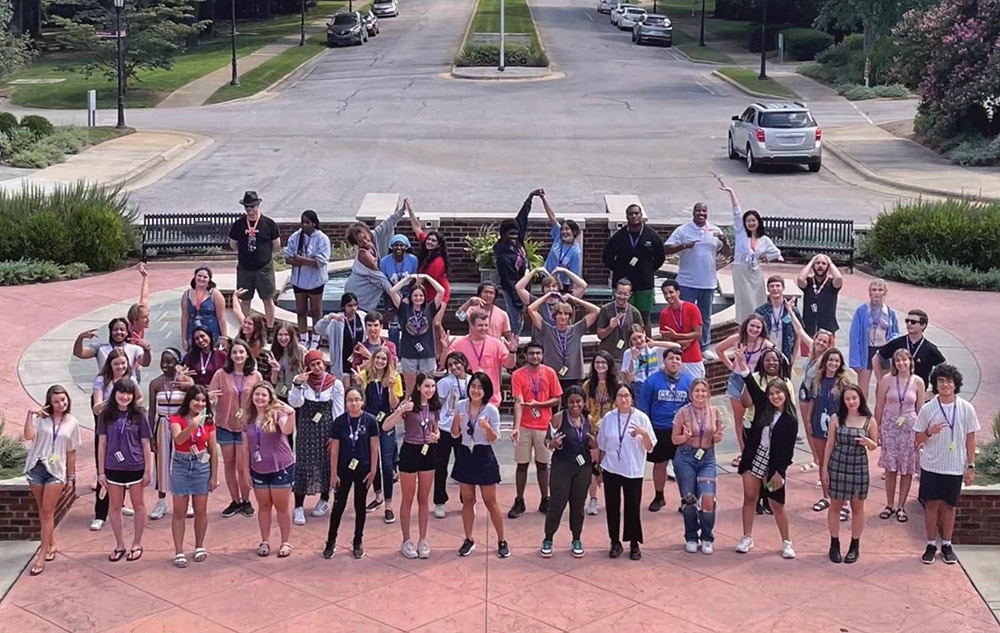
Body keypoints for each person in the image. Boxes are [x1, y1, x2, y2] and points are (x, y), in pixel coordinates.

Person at [733, 349, 798, 559]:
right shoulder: (763, 407)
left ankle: (786, 542)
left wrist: (780, 472)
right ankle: (747, 537)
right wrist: (743, 364)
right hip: (754, 458)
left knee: (776, 503)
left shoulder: (790, 420)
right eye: (771, 394)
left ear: (785, 394)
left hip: (774, 465)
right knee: (750, 498)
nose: (775, 397)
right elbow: (751, 384)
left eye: (778, 393)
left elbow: (788, 451)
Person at [915, 364, 978, 565]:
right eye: (941, 381)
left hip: (954, 465)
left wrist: (971, 466)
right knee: (932, 505)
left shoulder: (966, 408)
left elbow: (970, 438)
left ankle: (948, 544)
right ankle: (931, 543)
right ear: (936, 384)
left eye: (949, 381)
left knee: (949, 506)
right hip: (931, 465)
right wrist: (929, 433)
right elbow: (917, 438)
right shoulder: (928, 408)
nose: (945, 384)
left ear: (956, 384)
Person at [448, 372, 510, 558]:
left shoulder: (491, 410)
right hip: (466, 453)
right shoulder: (460, 405)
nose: (476, 390)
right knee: (467, 500)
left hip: (484, 455)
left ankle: (501, 540)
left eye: (480, 388)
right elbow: (454, 435)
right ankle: (468, 539)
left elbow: (495, 438)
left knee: (490, 501)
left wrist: (487, 428)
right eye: (473, 386)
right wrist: (456, 422)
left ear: (486, 391)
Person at [22, 386, 80, 575]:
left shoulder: (72, 422)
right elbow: (29, 436)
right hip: (37, 467)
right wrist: (30, 414)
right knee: (42, 510)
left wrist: (71, 477)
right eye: (56, 401)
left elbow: (71, 452)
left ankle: (41, 555)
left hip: (56, 471)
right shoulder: (42, 418)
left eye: (63, 400)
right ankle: (51, 543)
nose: (61, 404)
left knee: (48, 512)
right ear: (50, 402)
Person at [384, 373, 441, 559]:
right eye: (426, 386)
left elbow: (435, 428)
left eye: (432, 386)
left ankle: (423, 539)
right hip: (410, 451)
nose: (430, 390)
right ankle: (406, 540)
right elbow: (386, 426)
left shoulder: (434, 406)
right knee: (407, 498)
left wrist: (436, 435)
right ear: (418, 387)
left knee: (423, 498)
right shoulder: (408, 405)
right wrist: (401, 410)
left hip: (428, 452)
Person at [96, 378, 153, 563]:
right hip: (113, 467)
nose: (125, 396)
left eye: (129, 393)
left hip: (135, 466)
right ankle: (120, 544)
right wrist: (101, 472)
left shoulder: (139, 415)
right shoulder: (106, 415)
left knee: (138, 505)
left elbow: (146, 444)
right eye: (122, 392)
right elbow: (102, 443)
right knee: (115, 506)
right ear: (115, 393)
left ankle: (137, 543)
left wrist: (148, 470)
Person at [597, 384, 655, 560]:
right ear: (615, 399)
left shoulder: (641, 418)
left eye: (627, 396)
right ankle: (614, 542)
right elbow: (601, 445)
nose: (624, 399)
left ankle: (634, 543)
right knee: (612, 507)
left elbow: (650, 447)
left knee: (632, 507)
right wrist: (598, 468)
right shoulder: (608, 417)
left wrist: (644, 434)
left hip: (633, 469)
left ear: (632, 398)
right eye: (620, 396)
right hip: (611, 468)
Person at [665, 201, 731, 356]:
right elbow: (666, 249)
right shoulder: (683, 230)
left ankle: (704, 347)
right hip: (687, 282)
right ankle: (682, 346)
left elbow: (727, 254)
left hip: (708, 282)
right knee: (685, 316)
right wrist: (683, 246)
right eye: (698, 211)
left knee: (705, 318)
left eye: (704, 211)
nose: (701, 214)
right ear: (693, 212)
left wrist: (725, 242)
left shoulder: (715, 230)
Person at [823, 385, 879, 564]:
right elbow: (830, 444)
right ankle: (834, 543)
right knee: (835, 506)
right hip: (838, 465)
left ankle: (855, 545)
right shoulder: (836, 418)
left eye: (854, 398)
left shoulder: (869, 420)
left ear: (860, 398)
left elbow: (874, 446)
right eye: (847, 399)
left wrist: (868, 442)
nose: (851, 402)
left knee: (857, 507)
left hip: (858, 467)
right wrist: (824, 468)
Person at [288, 350, 344, 526]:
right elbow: (295, 403)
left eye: (319, 363)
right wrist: (297, 385)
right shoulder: (301, 382)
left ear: (324, 363)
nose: (317, 367)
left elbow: (338, 411)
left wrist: (336, 436)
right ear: (307, 367)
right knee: (304, 465)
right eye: (312, 365)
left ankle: (324, 498)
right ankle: (298, 506)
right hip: (306, 430)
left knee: (326, 464)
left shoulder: (335, 384)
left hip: (326, 430)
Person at [508, 341, 564, 519]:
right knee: (522, 464)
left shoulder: (549, 373)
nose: (535, 356)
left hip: (543, 425)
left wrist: (538, 404)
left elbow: (556, 399)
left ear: (543, 355)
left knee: (543, 465)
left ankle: (545, 499)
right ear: (525, 355)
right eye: (531, 353)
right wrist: (516, 427)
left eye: (538, 353)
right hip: (524, 425)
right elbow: (518, 401)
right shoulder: (517, 375)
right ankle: (519, 500)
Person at [324, 387, 380, 560]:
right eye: (350, 400)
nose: (353, 403)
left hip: (363, 469)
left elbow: (374, 447)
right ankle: (331, 541)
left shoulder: (370, 420)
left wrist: (373, 470)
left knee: (360, 505)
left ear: (362, 401)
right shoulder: (340, 422)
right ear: (345, 402)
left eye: (357, 399)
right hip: (343, 469)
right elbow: (334, 450)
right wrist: (333, 474)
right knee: (338, 506)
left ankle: (358, 541)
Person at [209, 339, 262, 519]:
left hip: (245, 427)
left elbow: (262, 397)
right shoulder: (220, 374)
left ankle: (246, 500)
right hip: (225, 424)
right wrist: (211, 400)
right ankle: (235, 500)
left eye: (241, 352)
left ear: (247, 354)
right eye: (235, 353)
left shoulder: (255, 376)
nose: (238, 355)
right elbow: (212, 395)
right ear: (230, 356)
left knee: (243, 467)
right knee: (229, 465)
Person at [541, 386, 595, 558]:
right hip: (561, 467)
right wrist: (553, 444)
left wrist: (594, 444)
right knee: (556, 505)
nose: (575, 405)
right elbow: (546, 441)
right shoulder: (558, 418)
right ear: (566, 402)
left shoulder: (589, 420)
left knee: (578, 507)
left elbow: (593, 444)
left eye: (578, 401)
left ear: (584, 402)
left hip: (583, 468)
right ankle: (548, 539)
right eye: (571, 402)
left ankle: (576, 539)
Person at [243, 383, 296, 558]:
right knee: (264, 506)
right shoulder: (248, 418)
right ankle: (265, 540)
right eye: (257, 394)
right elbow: (245, 447)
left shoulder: (276, 413)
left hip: (281, 466)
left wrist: (291, 411)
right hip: (258, 469)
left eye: (264, 395)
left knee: (282, 507)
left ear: (270, 398)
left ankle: (285, 542)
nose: (260, 398)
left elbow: (287, 429)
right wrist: (245, 471)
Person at [90, 349, 142, 531]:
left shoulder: (131, 380)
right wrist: (112, 402)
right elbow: (96, 408)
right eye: (116, 364)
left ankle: (120, 504)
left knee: (123, 467)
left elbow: (140, 398)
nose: (120, 367)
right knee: (104, 469)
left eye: (123, 363)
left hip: (125, 431)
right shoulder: (101, 381)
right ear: (109, 365)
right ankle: (100, 513)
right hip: (107, 431)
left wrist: (130, 405)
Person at [168, 385, 219, 568]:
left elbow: (212, 449)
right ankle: (179, 550)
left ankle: (199, 546)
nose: (200, 403)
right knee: (179, 511)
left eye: (203, 400)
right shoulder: (176, 418)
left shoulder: (209, 421)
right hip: (182, 464)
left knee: (201, 510)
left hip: (201, 464)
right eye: (196, 400)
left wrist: (214, 475)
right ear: (188, 400)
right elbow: (179, 439)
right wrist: (194, 425)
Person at [671, 378, 724, 554]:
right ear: (691, 394)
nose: (700, 394)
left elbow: (717, 435)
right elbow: (674, 439)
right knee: (689, 499)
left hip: (707, 458)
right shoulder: (682, 412)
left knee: (708, 499)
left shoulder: (715, 411)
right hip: (686, 457)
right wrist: (684, 437)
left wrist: (717, 436)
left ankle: (707, 536)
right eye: (697, 391)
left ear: (708, 393)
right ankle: (691, 536)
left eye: (703, 391)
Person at [873, 349, 925, 524]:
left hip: (910, 427)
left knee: (907, 468)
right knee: (890, 467)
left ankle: (901, 506)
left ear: (910, 361)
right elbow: (879, 405)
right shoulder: (887, 380)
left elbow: (920, 409)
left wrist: (921, 434)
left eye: (904, 360)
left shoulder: (918, 382)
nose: (901, 364)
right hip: (889, 426)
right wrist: (876, 429)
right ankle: (889, 504)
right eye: (897, 361)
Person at [638, 348, 692, 513]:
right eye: (671, 358)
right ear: (664, 361)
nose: (674, 361)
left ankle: (686, 498)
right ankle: (659, 496)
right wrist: (647, 430)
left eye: (678, 359)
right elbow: (643, 408)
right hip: (659, 429)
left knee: (682, 466)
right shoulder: (651, 381)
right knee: (660, 464)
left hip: (680, 431)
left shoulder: (689, 381)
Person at [716, 314, 773, 467]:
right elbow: (719, 349)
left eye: (758, 327)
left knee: (756, 417)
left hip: (754, 382)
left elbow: (774, 359)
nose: (754, 329)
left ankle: (758, 450)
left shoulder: (765, 344)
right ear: (746, 326)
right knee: (739, 419)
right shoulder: (737, 339)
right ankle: (744, 453)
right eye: (752, 326)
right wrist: (730, 365)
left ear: (762, 329)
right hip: (737, 380)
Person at [719, 185, 783, 321]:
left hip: (755, 270)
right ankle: (744, 325)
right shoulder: (741, 233)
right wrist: (732, 192)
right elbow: (737, 212)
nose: (751, 223)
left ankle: (759, 323)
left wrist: (765, 257)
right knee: (745, 300)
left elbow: (777, 253)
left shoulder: (764, 240)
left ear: (758, 222)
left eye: (753, 220)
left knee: (758, 298)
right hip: (741, 269)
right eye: (748, 221)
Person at [809, 348, 858, 520]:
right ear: (825, 362)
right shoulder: (818, 381)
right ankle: (826, 496)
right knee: (823, 463)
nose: (833, 364)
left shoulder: (843, 382)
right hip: (819, 425)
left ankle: (843, 503)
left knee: (837, 465)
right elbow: (813, 402)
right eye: (830, 360)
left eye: (837, 361)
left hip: (837, 427)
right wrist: (809, 422)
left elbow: (851, 404)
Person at [604, 204, 666, 336]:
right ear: (626, 216)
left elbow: (660, 257)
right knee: (623, 317)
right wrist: (620, 271)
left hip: (645, 284)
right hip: (624, 285)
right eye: (631, 214)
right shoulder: (619, 237)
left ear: (641, 215)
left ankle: (648, 346)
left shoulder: (652, 235)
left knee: (644, 318)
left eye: (636, 213)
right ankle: (624, 348)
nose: (634, 216)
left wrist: (648, 270)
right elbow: (607, 257)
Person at [358, 346, 403, 523]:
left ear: (388, 361)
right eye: (378, 358)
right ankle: (377, 496)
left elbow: (394, 404)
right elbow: (361, 402)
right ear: (373, 359)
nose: (380, 362)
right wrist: (359, 385)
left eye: (384, 359)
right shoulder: (364, 376)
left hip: (387, 422)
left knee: (386, 464)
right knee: (372, 461)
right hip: (369, 422)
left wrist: (391, 388)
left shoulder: (394, 377)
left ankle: (389, 505)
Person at [147, 348, 194, 521]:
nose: (165, 365)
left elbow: (194, 404)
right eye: (163, 361)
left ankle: (185, 499)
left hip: (180, 425)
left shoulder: (186, 380)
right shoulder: (155, 383)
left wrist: (191, 387)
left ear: (177, 362)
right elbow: (151, 411)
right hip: (162, 425)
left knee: (182, 461)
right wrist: (150, 434)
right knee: (161, 463)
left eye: (169, 362)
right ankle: (161, 501)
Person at [785, 302, 832, 474]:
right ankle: (816, 459)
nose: (820, 343)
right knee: (807, 426)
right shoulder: (813, 350)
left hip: (816, 395)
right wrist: (790, 311)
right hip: (804, 391)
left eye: (824, 342)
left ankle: (823, 464)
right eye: (819, 340)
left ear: (828, 344)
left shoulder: (826, 358)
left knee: (817, 428)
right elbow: (799, 330)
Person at [526, 292, 600, 392]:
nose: (563, 317)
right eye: (560, 313)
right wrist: (547, 296)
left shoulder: (577, 329)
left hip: (574, 376)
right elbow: (531, 309)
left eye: (566, 314)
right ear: (555, 316)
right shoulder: (547, 330)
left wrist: (574, 298)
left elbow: (596, 310)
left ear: (569, 316)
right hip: (552, 376)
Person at [230, 191, 281, 331]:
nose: (249, 210)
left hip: (263, 268)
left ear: (258, 205)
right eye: (246, 207)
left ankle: (270, 328)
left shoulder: (269, 224)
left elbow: (276, 245)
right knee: (245, 300)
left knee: (268, 299)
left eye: (252, 206)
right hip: (245, 268)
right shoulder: (239, 224)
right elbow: (233, 244)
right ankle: (247, 327)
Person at [408, 199, 452, 362]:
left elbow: (422, 282)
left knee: (435, 322)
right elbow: (417, 228)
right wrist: (411, 211)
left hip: (440, 294)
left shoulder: (438, 261)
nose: (430, 242)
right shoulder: (426, 246)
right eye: (429, 240)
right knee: (429, 323)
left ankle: (443, 352)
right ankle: (434, 351)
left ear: (439, 245)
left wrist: (406, 292)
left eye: (434, 241)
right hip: (427, 294)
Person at [387, 275, 448, 392]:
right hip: (408, 352)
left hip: (427, 353)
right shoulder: (404, 308)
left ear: (425, 297)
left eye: (421, 295)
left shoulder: (430, 308)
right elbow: (392, 291)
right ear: (410, 297)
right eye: (415, 295)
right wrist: (408, 278)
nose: (418, 298)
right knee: (410, 390)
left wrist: (427, 277)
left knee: (427, 389)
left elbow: (441, 291)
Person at [446, 310, 518, 407]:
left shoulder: (496, 343)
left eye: (486, 325)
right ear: (471, 325)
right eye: (480, 325)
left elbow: (510, 364)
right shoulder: (458, 344)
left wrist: (512, 352)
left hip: (491, 400)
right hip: (466, 400)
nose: (484, 328)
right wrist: (445, 350)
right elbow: (445, 365)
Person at [495, 189, 542, 336]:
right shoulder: (503, 257)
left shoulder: (517, 241)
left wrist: (530, 198)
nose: (515, 237)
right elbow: (509, 283)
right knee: (516, 320)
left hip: (523, 286)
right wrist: (518, 303)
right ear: (503, 235)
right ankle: (512, 344)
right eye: (511, 234)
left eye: (516, 234)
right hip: (512, 291)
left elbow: (522, 218)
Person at [344, 200, 405, 312]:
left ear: (368, 232)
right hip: (359, 289)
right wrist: (395, 294)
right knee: (360, 314)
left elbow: (387, 224)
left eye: (366, 237)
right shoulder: (363, 255)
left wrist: (402, 210)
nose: (366, 241)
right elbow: (379, 276)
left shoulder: (374, 235)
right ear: (357, 244)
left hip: (371, 286)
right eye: (361, 241)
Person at [284, 210, 331, 349]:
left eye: (307, 222)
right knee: (301, 310)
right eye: (302, 222)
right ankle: (304, 338)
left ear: (314, 223)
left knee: (316, 311)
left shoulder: (322, 239)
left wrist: (302, 260)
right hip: (299, 281)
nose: (304, 225)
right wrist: (300, 261)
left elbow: (321, 261)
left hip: (316, 281)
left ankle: (316, 339)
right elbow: (287, 257)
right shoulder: (295, 237)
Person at [434, 351, 471, 519]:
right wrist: (434, 427)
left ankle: (467, 500)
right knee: (441, 466)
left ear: (464, 363)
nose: (454, 367)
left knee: (464, 465)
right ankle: (440, 501)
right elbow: (437, 407)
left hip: (464, 430)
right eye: (450, 365)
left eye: (457, 363)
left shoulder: (472, 381)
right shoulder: (444, 382)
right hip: (445, 428)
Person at [848, 279, 900, 399]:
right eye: (874, 290)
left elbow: (895, 333)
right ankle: (862, 413)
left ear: (885, 292)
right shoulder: (862, 311)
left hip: (883, 350)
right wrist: (855, 360)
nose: (877, 293)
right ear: (869, 293)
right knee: (862, 388)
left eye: (880, 290)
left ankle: (880, 414)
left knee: (882, 385)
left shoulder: (889, 312)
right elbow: (854, 336)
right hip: (866, 350)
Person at [583, 351, 618, 516]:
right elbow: (582, 407)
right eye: (597, 362)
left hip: (611, 430)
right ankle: (593, 500)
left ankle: (612, 499)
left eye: (603, 362)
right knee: (594, 466)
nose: (600, 365)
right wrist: (588, 416)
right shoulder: (588, 385)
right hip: (593, 431)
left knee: (610, 465)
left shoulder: (616, 385)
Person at [876, 309, 946, 387]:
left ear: (923, 325)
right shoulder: (897, 343)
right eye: (907, 321)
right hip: (897, 390)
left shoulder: (930, 349)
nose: (909, 324)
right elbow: (876, 358)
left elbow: (944, 369)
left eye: (913, 322)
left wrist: (934, 391)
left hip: (919, 392)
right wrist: (880, 381)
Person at [516, 268, 587, 344]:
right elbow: (519, 287)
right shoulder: (536, 303)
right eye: (547, 286)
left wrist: (565, 271)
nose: (551, 289)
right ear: (543, 289)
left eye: (554, 286)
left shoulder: (565, 301)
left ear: (558, 288)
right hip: (541, 346)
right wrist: (535, 271)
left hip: (561, 344)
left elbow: (583, 286)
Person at [74, 317, 151, 382]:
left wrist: (146, 350)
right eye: (115, 329)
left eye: (122, 329)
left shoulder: (134, 349)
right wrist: (80, 338)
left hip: (127, 390)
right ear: (110, 332)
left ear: (127, 332)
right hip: (104, 390)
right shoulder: (100, 348)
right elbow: (79, 353)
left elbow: (145, 363)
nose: (119, 332)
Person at [312, 293, 365, 383]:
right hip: (342, 361)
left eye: (355, 305)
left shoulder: (362, 317)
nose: (353, 308)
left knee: (358, 388)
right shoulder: (337, 320)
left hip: (358, 360)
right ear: (343, 306)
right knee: (345, 388)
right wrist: (329, 317)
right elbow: (318, 329)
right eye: (349, 306)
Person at [659, 280, 705, 378]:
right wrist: (679, 343)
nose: (668, 296)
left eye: (671, 292)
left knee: (697, 389)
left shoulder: (692, 308)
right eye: (665, 293)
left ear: (678, 292)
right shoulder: (664, 314)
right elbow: (665, 336)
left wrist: (676, 337)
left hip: (693, 358)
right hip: (674, 360)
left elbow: (698, 334)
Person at [379, 234, 419, 347]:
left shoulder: (413, 260)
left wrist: (409, 297)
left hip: (408, 295)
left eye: (402, 245)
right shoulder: (384, 261)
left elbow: (414, 279)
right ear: (391, 246)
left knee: (409, 324)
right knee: (394, 326)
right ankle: (393, 352)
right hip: (390, 295)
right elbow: (383, 281)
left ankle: (408, 350)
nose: (399, 248)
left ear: (406, 246)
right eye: (396, 245)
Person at [595, 278, 644, 370]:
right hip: (607, 356)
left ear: (630, 294)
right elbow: (600, 335)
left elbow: (641, 337)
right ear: (614, 292)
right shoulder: (605, 309)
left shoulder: (635, 312)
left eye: (625, 294)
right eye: (619, 293)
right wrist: (610, 327)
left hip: (626, 357)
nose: (622, 297)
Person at [540, 192, 582, 291]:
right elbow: (552, 217)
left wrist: (570, 294)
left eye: (567, 229)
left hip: (562, 284)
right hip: (547, 278)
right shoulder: (558, 236)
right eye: (563, 229)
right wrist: (543, 199)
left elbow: (573, 275)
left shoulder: (575, 251)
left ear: (574, 232)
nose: (564, 232)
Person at [620, 325, 681, 394]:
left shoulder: (654, 349)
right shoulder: (628, 353)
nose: (638, 341)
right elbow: (629, 378)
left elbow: (677, 346)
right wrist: (633, 358)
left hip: (655, 383)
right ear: (630, 340)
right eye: (634, 339)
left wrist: (655, 343)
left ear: (644, 334)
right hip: (639, 385)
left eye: (640, 337)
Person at [754, 276, 800, 363]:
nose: (775, 289)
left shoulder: (792, 310)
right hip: (766, 354)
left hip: (785, 353)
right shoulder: (761, 311)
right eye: (772, 286)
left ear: (783, 288)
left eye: (778, 286)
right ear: (768, 289)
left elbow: (798, 335)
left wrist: (793, 357)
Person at [796, 255, 843, 339]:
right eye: (817, 263)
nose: (820, 265)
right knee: (807, 352)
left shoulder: (832, 283)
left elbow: (839, 278)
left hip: (827, 329)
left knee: (827, 352)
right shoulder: (809, 282)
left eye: (824, 263)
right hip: (808, 327)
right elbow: (800, 279)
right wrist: (811, 262)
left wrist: (830, 262)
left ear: (828, 267)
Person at [180, 266, 227, 351]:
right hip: (193, 332)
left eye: (205, 277)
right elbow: (184, 318)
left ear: (209, 279)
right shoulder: (187, 294)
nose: (201, 278)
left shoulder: (215, 294)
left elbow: (221, 318)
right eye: (199, 276)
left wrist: (224, 337)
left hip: (211, 332)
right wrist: (184, 338)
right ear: (195, 277)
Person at [268, 324, 307, 399]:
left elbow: (306, 372)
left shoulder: (301, 351)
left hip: (296, 393)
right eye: (280, 335)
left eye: (286, 335)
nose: (283, 338)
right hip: (280, 392)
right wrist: (275, 369)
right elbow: (274, 381)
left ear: (291, 336)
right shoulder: (274, 351)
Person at [230, 291, 269, 359]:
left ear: (256, 327)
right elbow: (237, 310)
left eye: (250, 324)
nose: (245, 325)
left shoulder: (256, 343)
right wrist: (235, 296)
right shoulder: (244, 326)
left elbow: (249, 359)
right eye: (245, 322)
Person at [127, 263, 151, 340]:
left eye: (147, 316)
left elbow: (144, 297)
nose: (148, 319)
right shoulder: (130, 335)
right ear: (135, 319)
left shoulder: (140, 317)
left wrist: (145, 277)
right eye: (144, 317)